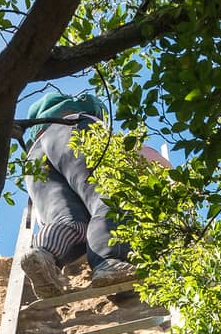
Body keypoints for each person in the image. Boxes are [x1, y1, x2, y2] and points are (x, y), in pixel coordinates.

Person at [20, 88, 138, 299]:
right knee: (107, 198)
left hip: (33, 161)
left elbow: (40, 216)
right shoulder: (84, 115)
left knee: (68, 221)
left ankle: (44, 255)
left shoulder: (36, 141)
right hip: (73, 130)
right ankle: (108, 260)